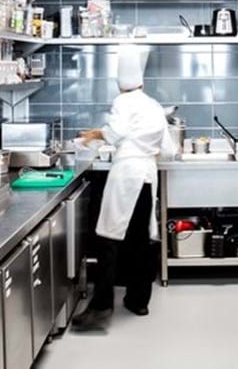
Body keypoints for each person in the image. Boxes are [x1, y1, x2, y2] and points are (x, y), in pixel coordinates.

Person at [72, 45, 172, 330]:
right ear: (141, 81)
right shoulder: (153, 105)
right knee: (141, 240)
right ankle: (139, 301)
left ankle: (101, 307)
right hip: (146, 176)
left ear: (120, 83)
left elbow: (115, 133)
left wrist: (93, 135)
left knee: (108, 237)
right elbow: (168, 148)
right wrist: (145, 148)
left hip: (126, 174)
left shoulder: (122, 102)